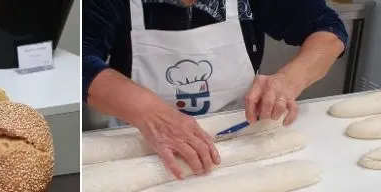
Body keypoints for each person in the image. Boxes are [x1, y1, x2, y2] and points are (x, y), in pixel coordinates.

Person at [82, 0, 348, 178]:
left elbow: (328, 31)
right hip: (141, 144)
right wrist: (147, 110)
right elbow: (80, 63)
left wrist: (288, 81)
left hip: (241, 135)